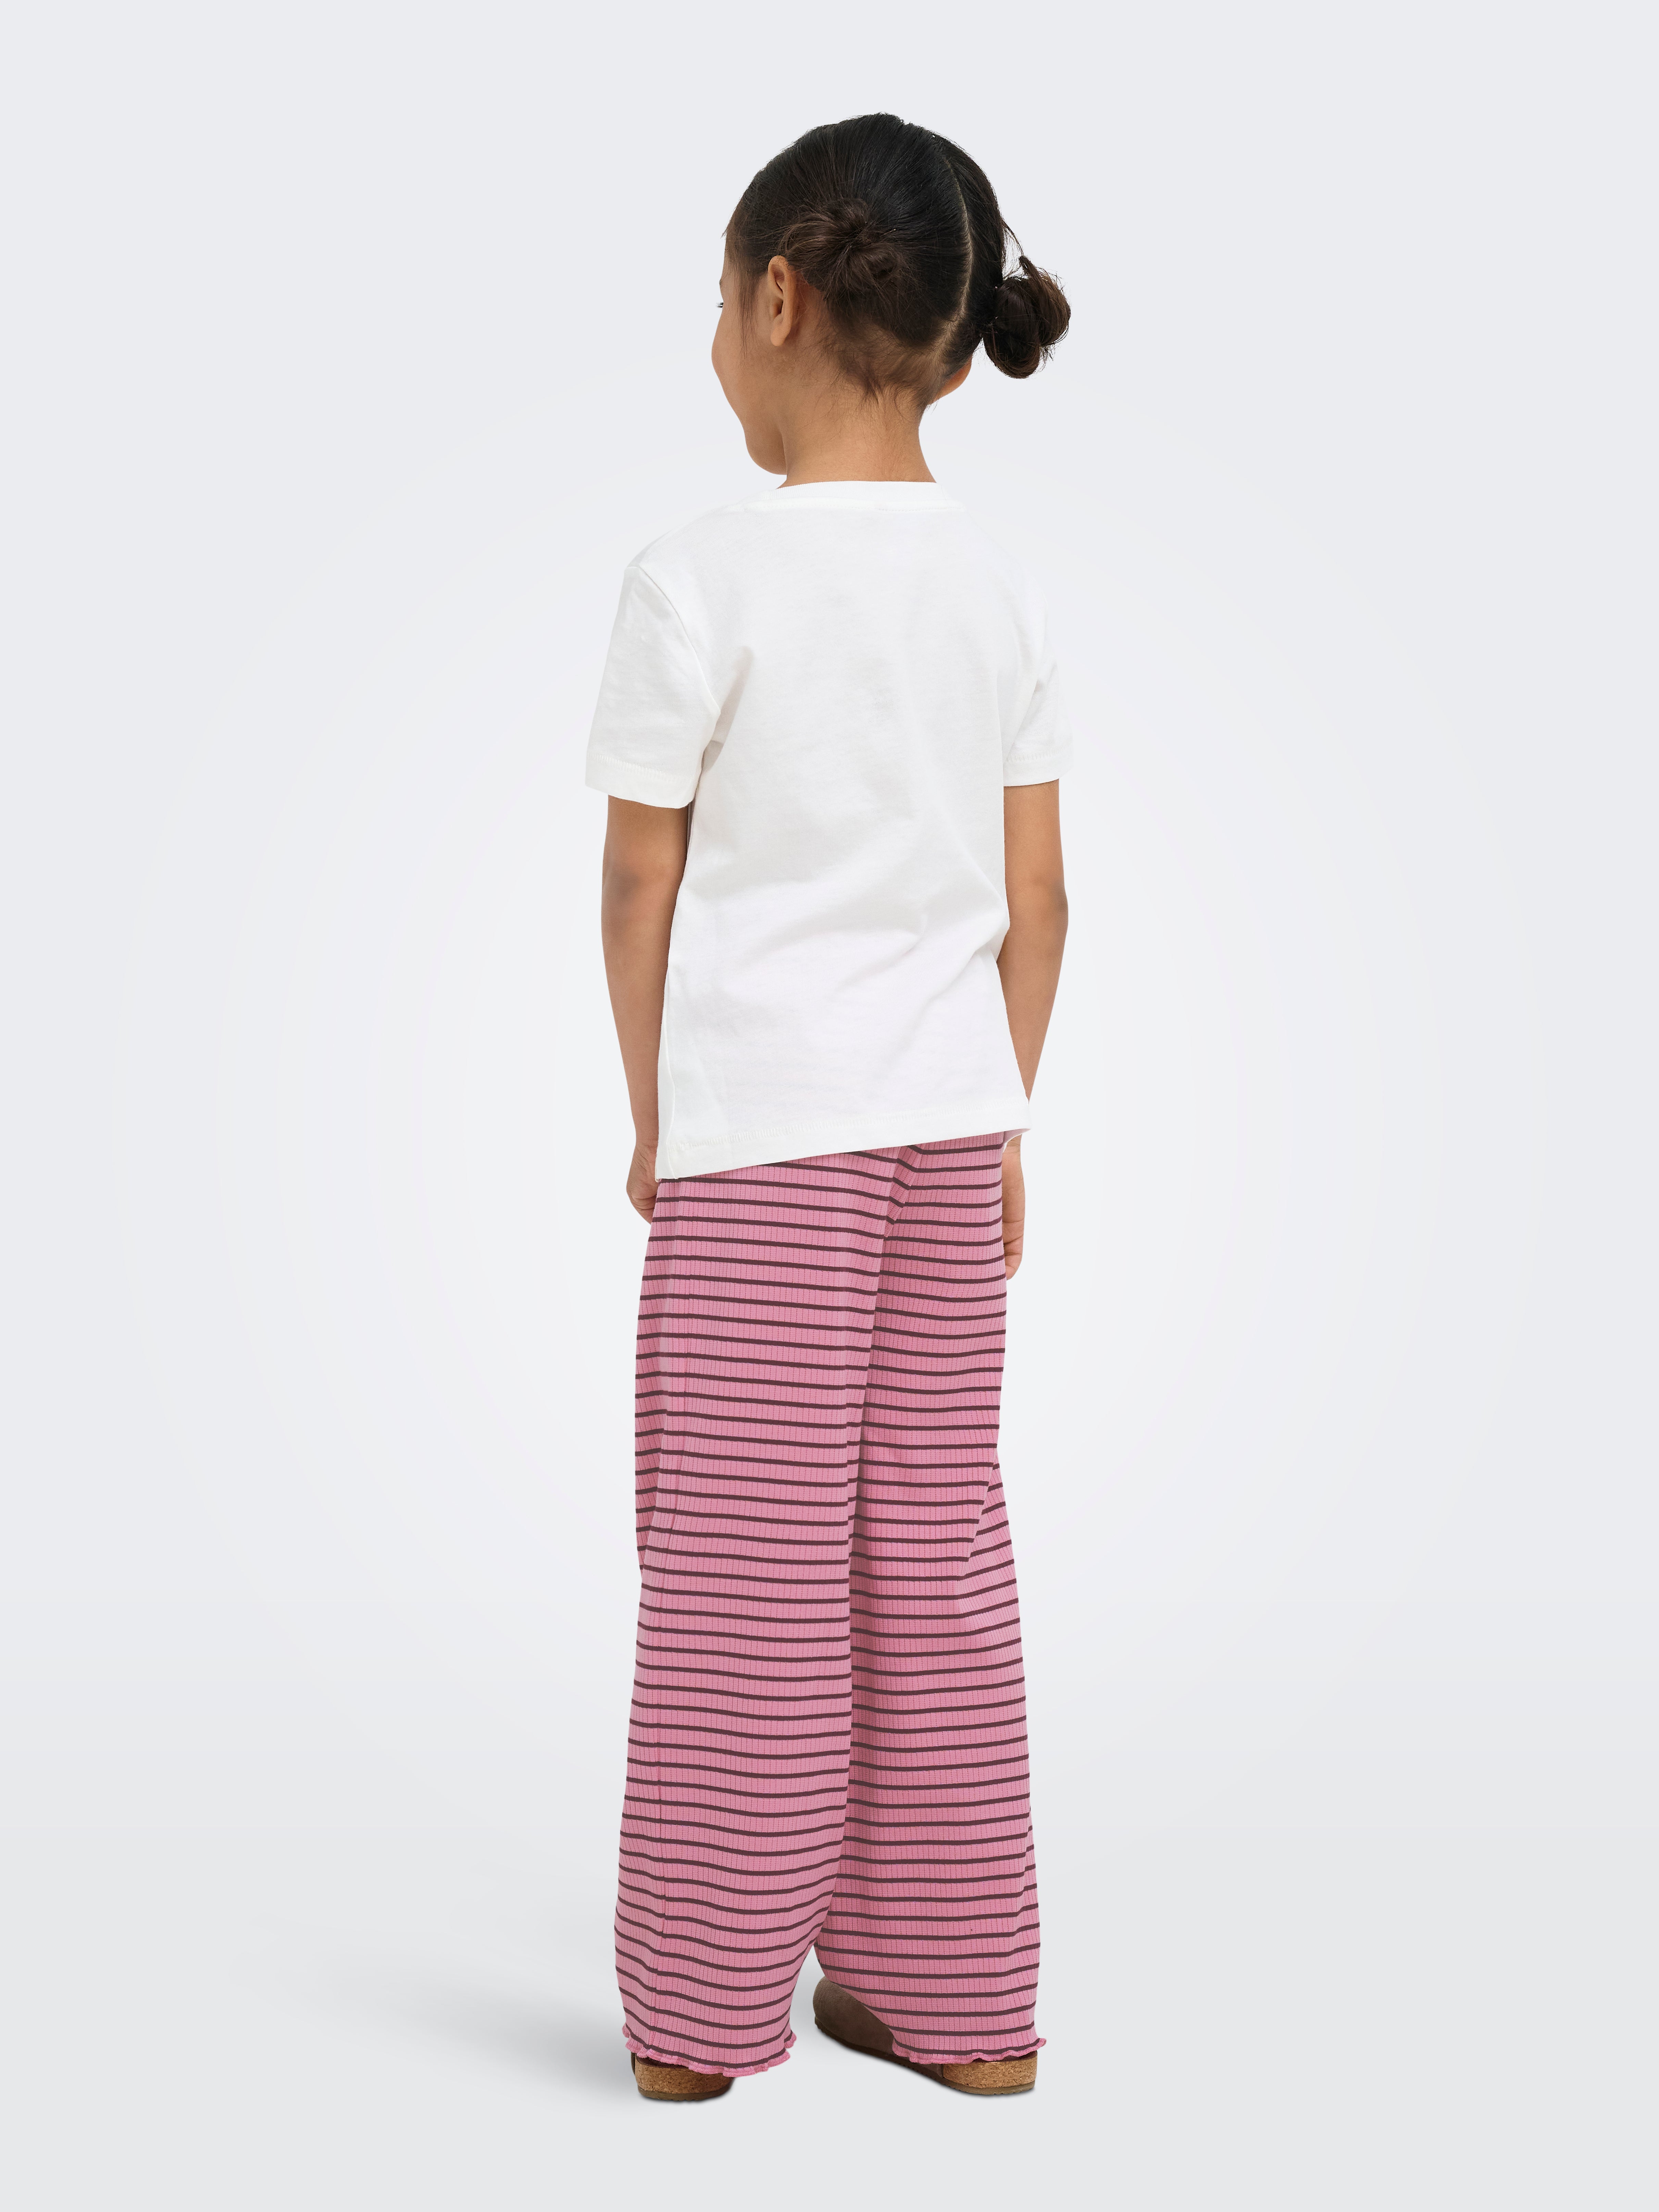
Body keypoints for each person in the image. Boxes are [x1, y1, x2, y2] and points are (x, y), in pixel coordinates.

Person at [585, 112, 1072, 2103]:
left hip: (767, 1146)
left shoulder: (698, 577)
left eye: (719, 299)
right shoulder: (1001, 586)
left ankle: (705, 2019)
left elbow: (642, 884)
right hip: (949, 1140)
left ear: (778, 296)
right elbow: (1042, 898)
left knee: (749, 1570)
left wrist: (654, 1114)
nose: (716, 335)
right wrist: (1002, 1120)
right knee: (930, 1551)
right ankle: (957, 2004)